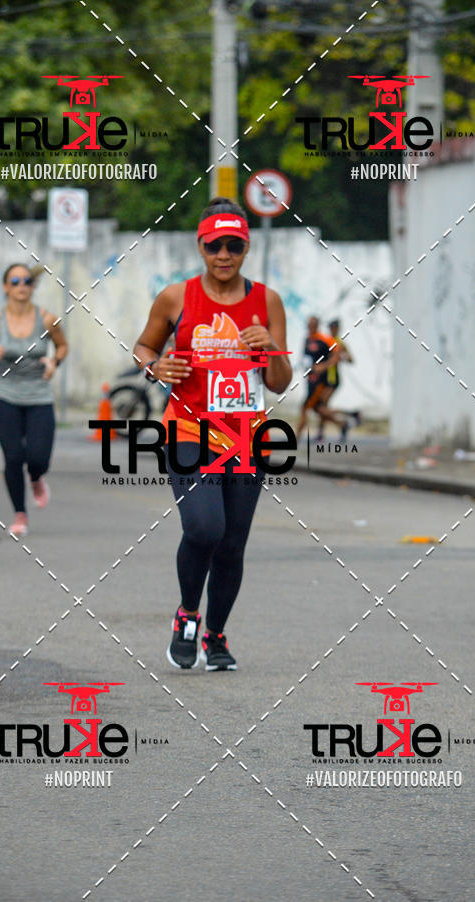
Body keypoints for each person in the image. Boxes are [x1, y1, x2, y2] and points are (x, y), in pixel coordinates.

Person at [134, 197, 292, 671]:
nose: (224, 254)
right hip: (188, 429)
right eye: (214, 245)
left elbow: (280, 382)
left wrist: (273, 352)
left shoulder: (266, 301)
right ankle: (187, 614)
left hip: (246, 435)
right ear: (200, 246)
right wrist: (155, 367)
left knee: (232, 544)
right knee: (205, 527)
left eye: (234, 245)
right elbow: (144, 346)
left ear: (245, 248)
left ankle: (216, 636)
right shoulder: (175, 298)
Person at [0, 263, 68, 537]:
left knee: (38, 458)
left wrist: (54, 361)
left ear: (32, 287)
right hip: (5, 395)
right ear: (5, 287)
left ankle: (36, 477)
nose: (21, 286)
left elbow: (63, 345)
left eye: (26, 281)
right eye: (15, 281)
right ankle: (20, 514)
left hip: (39, 395)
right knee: (13, 456)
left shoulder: (46, 319)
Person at [295, 315, 342, 442]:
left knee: (306, 407)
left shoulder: (326, 340)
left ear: (317, 325)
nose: (310, 327)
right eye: (308, 324)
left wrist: (323, 366)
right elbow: (307, 359)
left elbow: (337, 356)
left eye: (313, 324)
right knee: (319, 408)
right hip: (310, 380)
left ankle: (296, 438)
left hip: (321, 381)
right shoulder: (307, 340)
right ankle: (343, 423)